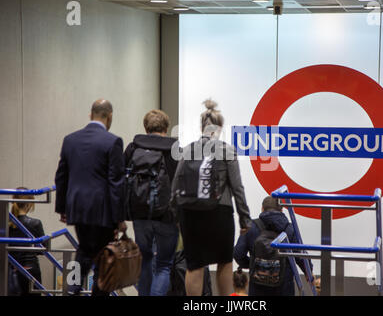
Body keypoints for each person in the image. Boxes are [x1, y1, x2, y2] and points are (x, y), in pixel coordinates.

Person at [172, 99, 252, 296]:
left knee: (194, 264)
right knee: (224, 262)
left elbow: (176, 185)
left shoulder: (188, 150)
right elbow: (237, 187)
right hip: (220, 212)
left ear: (202, 127)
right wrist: (244, 219)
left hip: (190, 214)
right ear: (220, 127)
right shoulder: (227, 150)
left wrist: (174, 217)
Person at [55, 99, 127, 296]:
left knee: (84, 251)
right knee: (103, 259)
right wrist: (119, 218)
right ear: (109, 116)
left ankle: (73, 289)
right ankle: (91, 292)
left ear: (90, 114)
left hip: (78, 208)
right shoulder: (113, 141)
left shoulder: (70, 139)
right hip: (102, 212)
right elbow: (116, 183)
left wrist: (62, 208)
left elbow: (61, 176)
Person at [123, 109, 179, 296]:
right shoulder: (175, 149)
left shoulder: (133, 148)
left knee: (145, 259)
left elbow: (121, 179)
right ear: (166, 127)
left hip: (140, 213)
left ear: (146, 127)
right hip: (167, 215)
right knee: (163, 264)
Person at [234, 196, 317, 296]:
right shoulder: (289, 228)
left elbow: (238, 253)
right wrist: (309, 272)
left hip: (258, 287)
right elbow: (301, 255)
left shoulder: (250, 226)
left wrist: (252, 264)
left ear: (262, 209)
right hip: (284, 287)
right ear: (282, 210)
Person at [8, 188, 46, 296]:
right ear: (29, 204)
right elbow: (43, 249)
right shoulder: (35, 223)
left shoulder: (6, 223)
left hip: (11, 269)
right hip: (31, 269)